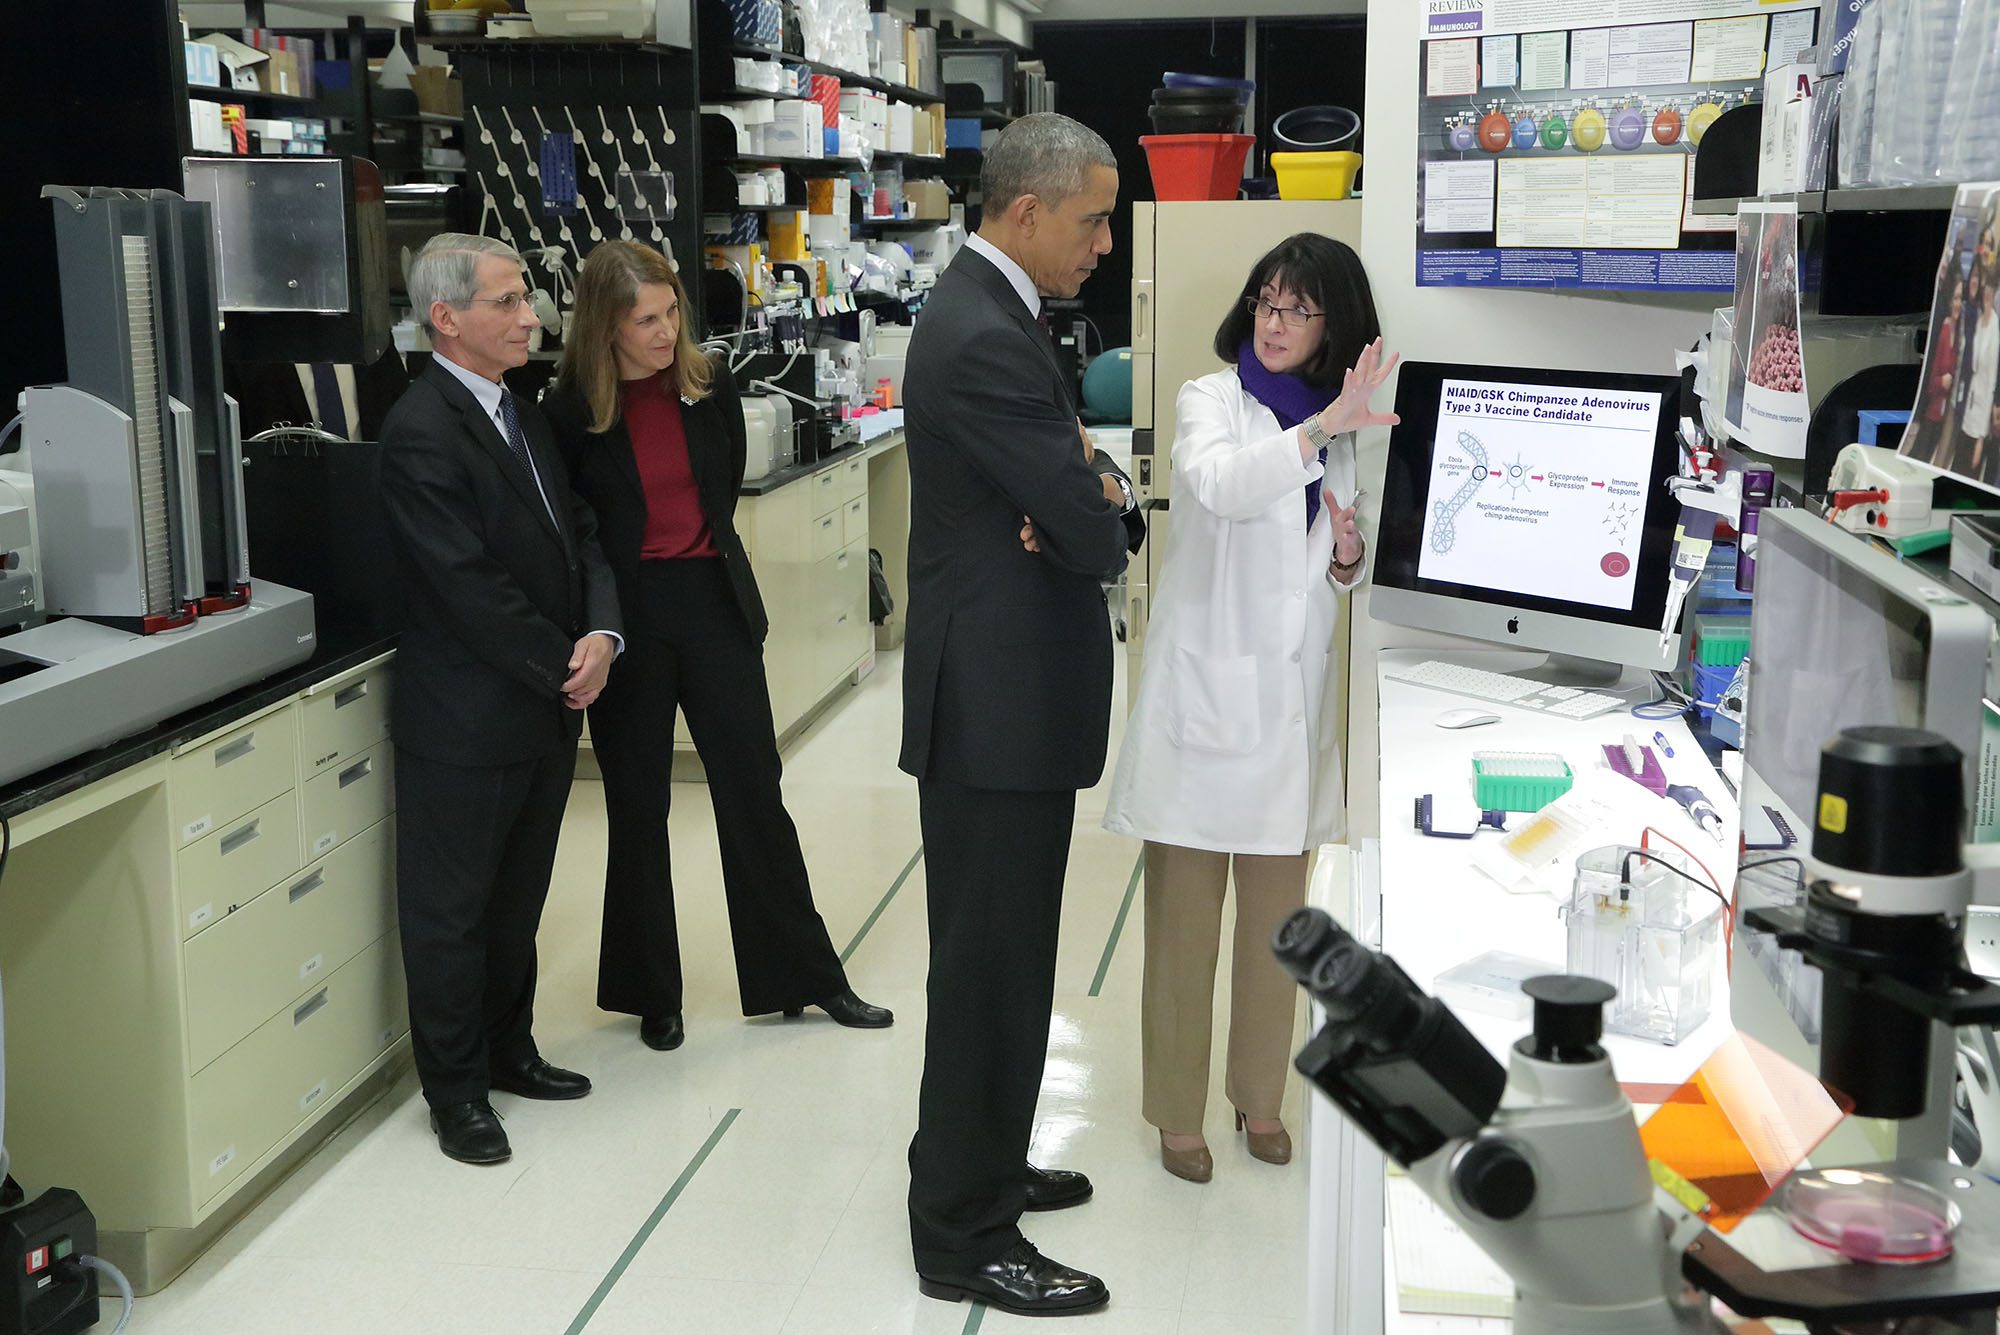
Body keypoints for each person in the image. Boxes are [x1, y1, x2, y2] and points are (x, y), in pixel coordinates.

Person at [899, 112, 1144, 1319]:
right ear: (1027, 212)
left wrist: (1092, 498)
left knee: (1005, 961)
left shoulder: (1000, 313)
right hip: (992, 705)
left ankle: (982, 1164)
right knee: (989, 971)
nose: (1106, 241)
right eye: (1094, 218)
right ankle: (958, 1233)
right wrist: (1094, 508)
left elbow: (1088, 492)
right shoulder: (981, 335)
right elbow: (1094, 524)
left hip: (1007, 695)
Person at [541, 239, 891, 1050]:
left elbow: (721, 488)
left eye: (671, 314)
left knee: (753, 792)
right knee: (638, 805)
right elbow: (577, 532)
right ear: (605, 328)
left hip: (711, 600)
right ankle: (649, 993)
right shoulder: (569, 414)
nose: (665, 334)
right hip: (629, 619)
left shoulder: (709, 385)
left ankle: (803, 977)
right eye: (645, 321)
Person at [1103, 234, 1395, 1184]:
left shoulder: (1340, 429)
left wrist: (1347, 552)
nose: (1275, 323)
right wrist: (1315, 436)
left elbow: (1335, 570)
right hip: (1204, 707)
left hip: (1286, 721)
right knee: (1184, 933)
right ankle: (1176, 1115)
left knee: (1282, 933)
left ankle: (1259, 1098)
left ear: (1332, 325)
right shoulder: (1208, 400)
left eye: (1298, 309)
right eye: (1266, 302)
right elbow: (1220, 486)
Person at [377, 233, 622, 1166]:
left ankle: (510, 1047)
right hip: (469, 717)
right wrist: (563, 660)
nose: (533, 317)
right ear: (447, 317)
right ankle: (456, 1090)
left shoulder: (521, 411)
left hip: (544, 705)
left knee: (520, 894)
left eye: (529, 299)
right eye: (510, 302)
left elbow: (581, 531)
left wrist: (603, 634)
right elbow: (466, 584)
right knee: (452, 910)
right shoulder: (421, 432)